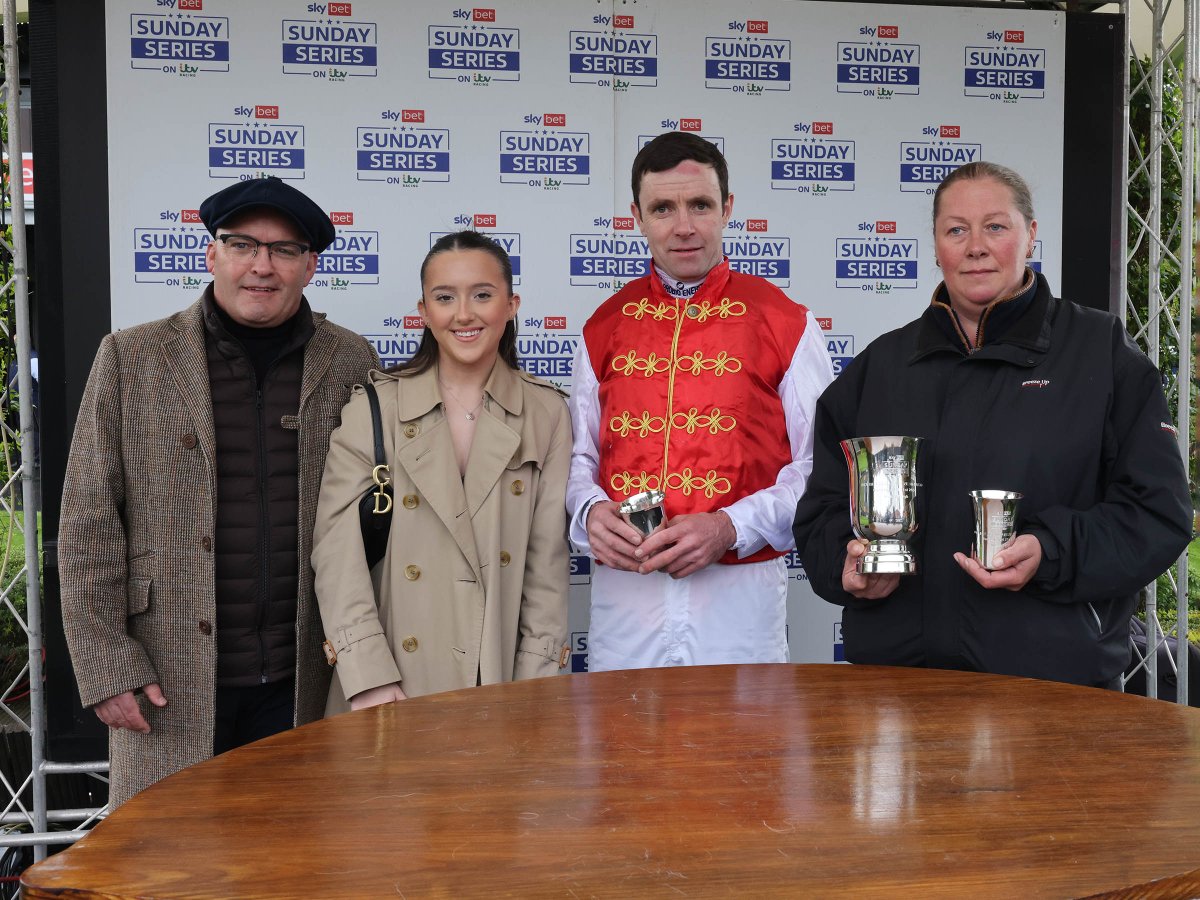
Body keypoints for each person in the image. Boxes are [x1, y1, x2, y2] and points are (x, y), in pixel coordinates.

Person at [793, 161, 1192, 687]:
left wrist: (1050, 552)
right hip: (895, 687)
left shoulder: (1102, 356)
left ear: (1030, 235)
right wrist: (843, 567)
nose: (975, 246)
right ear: (936, 247)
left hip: (1051, 688)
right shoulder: (881, 367)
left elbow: (1157, 514)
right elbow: (820, 510)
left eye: (995, 227)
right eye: (956, 230)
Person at [59, 177, 379, 806]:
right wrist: (106, 664)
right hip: (167, 674)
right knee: (171, 861)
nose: (262, 266)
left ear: (310, 266)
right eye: (242, 245)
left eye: (285, 250)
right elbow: (87, 517)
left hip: (306, 677)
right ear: (212, 255)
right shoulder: (132, 357)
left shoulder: (349, 361)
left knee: (292, 858)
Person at [565, 132, 835, 671]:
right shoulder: (603, 326)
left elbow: (818, 466)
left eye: (700, 205)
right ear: (636, 216)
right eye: (663, 208)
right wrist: (589, 512)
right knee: (623, 745)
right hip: (627, 597)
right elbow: (579, 460)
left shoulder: (785, 321)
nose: (683, 226)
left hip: (739, 595)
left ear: (727, 208)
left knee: (741, 750)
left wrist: (730, 526)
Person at [313, 231, 570, 711]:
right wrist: (367, 674)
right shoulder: (375, 408)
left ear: (511, 305)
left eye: (482, 295)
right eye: (445, 297)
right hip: (391, 684)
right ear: (424, 310)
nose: (464, 314)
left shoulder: (547, 412)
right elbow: (336, 553)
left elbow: (547, 571)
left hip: (498, 681)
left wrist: (535, 687)